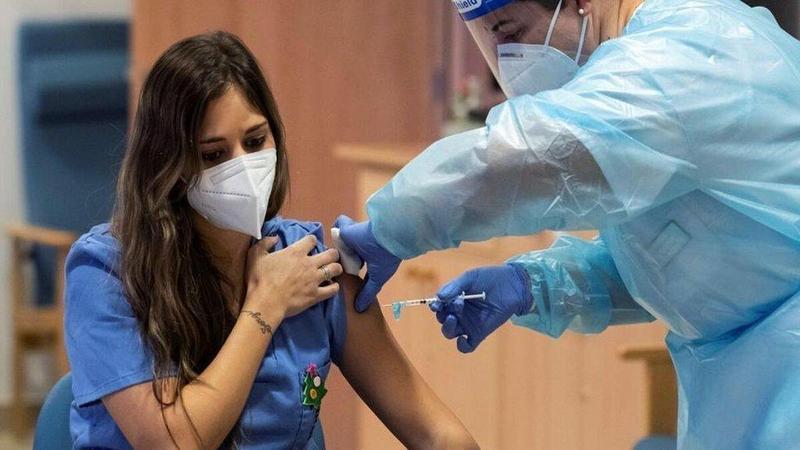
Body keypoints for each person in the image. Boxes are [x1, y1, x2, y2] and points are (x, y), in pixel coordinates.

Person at [335, 0, 800, 447]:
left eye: (512, 33)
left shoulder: (690, 51)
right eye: (489, 41)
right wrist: (534, 285)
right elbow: (682, 257)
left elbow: (522, 158)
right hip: (752, 384)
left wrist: (390, 227)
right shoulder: (652, 67)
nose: (507, 60)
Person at [64, 31, 478, 450]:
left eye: (255, 141)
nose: (244, 167)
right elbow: (173, 444)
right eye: (213, 154)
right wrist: (265, 306)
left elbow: (437, 434)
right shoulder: (109, 273)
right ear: (168, 164)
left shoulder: (308, 263)